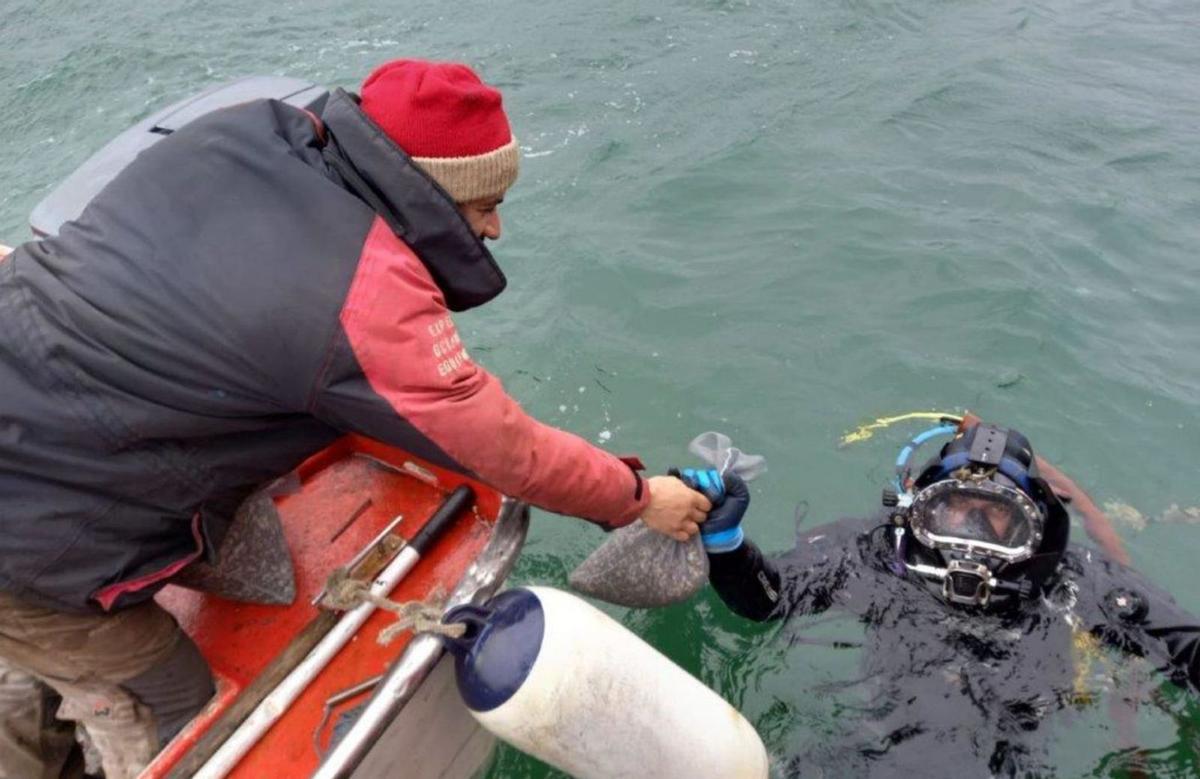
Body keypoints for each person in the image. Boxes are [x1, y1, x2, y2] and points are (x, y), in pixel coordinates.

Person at [0, 60, 709, 778]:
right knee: (167, 694)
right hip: (37, 545)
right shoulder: (365, 297)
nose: (497, 226)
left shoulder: (233, 135)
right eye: (486, 203)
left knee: (31, 658)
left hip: (25, 396)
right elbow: (502, 446)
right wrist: (640, 498)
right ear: (433, 191)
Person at [683, 419, 1200, 778]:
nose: (970, 535)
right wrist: (729, 547)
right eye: (953, 511)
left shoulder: (1069, 580)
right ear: (917, 508)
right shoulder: (880, 552)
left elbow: (1186, 649)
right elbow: (769, 599)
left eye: (998, 518)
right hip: (879, 746)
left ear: (1035, 527)